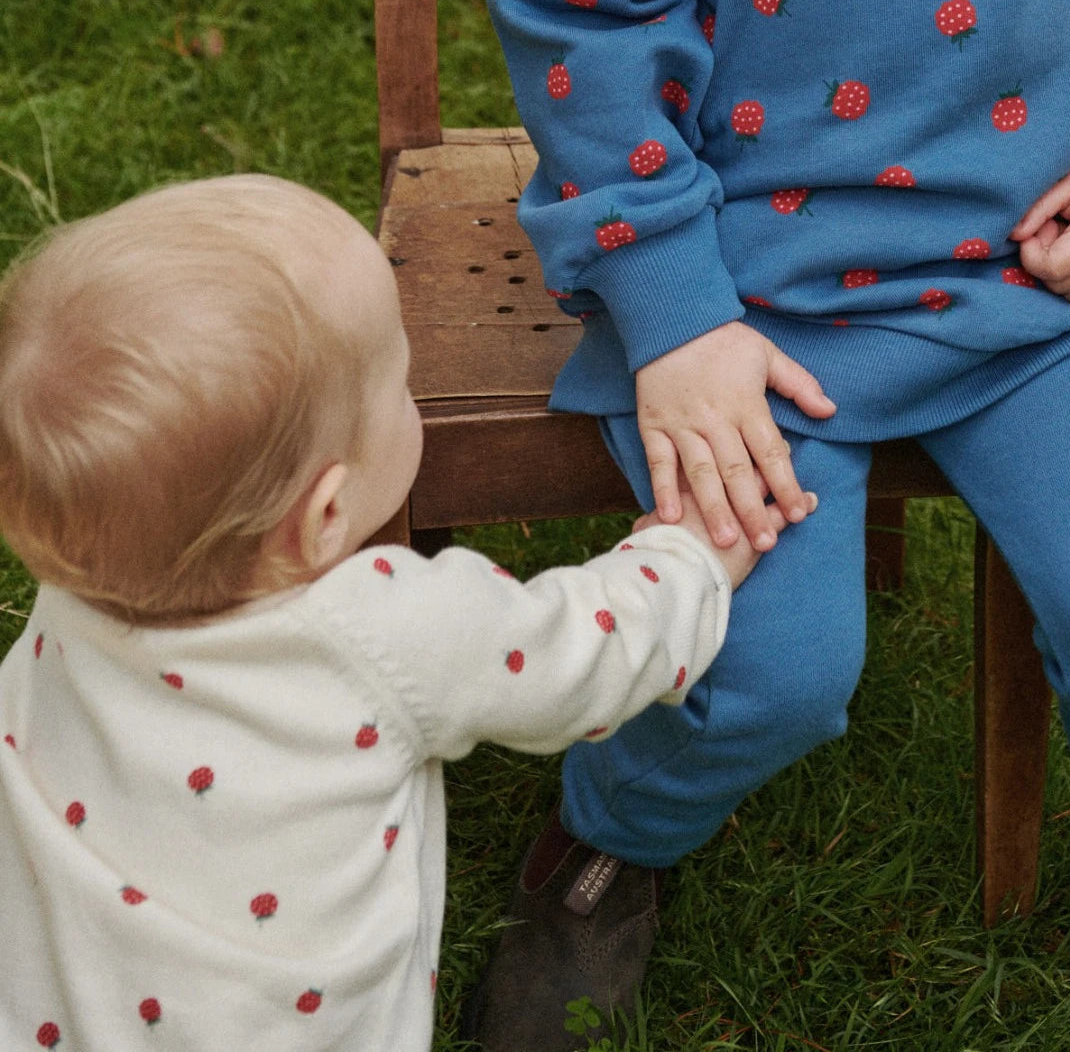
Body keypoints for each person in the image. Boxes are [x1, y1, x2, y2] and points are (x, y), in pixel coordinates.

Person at [473, 0, 1070, 1049]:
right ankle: (605, 844)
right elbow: (576, 2)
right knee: (763, 674)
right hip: (738, 298)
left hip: (1031, 275)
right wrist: (673, 306)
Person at [0, 174, 782, 1051]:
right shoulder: (385, 632)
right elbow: (587, 654)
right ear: (327, 514)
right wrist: (692, 561)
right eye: (402, 383)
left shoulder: (76, 591)